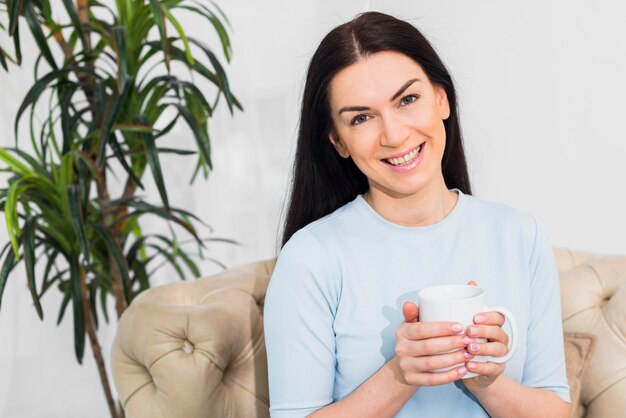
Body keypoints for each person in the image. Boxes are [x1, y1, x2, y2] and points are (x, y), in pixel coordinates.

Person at [263, 11, 571, 418]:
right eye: (361, 118)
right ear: (338, 141)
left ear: (441, 99)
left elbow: (555, 409)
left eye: (407, 100)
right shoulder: (310, 257)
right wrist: (401, 374)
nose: (393, 135)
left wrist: (485, 381)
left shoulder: (519, 235)